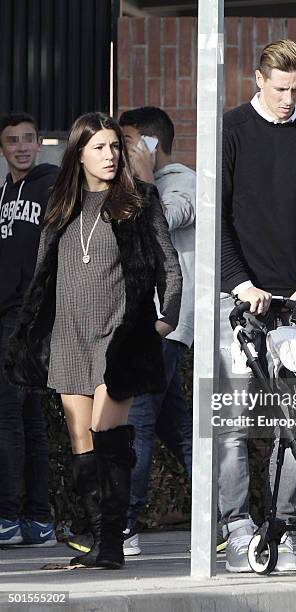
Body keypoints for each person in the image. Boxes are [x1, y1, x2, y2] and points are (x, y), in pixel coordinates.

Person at [4, 112, 182, 569]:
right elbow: (43, 277)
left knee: (110, 438)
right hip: (69, 338)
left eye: (114, 147)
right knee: (81, 445)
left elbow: (169, 269)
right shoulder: (61, 205)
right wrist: (30, 334)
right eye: (99, 147)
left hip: (117, 340)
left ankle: (113, 547)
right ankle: (100, 541)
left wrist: (160, 326)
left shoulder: (140, 200)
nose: (109, 155)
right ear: (79, 153)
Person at [220, 39, 296, 572]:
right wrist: (239, 282)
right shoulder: (231, 130)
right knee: (236, 421)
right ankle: (238, 527)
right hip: (242, 299)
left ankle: (279, 526)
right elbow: (216, 215)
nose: (288, 98)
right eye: (279, 87)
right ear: (258, 79)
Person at [115, 106, 194, 556]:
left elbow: (170, 216)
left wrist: (142, 178)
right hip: (153, 322)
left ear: (149, 144)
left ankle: (124, 527)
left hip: (164, 324)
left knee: (137, 421)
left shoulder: (183, 183)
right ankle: (226, 515)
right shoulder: (152, 187)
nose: (118, 153)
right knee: (175, 427)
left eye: (126, 143)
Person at [0, 112, 59, 547]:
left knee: (8, 419)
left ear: (38, 143)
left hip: (28, 317)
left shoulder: (49, 183)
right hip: (8, 314)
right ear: (2, 149)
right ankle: (38, 519)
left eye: (27, 139)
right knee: (29, 421)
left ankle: (8, 516)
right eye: (11, 141)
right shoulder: (4, 192)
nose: (21, 146)